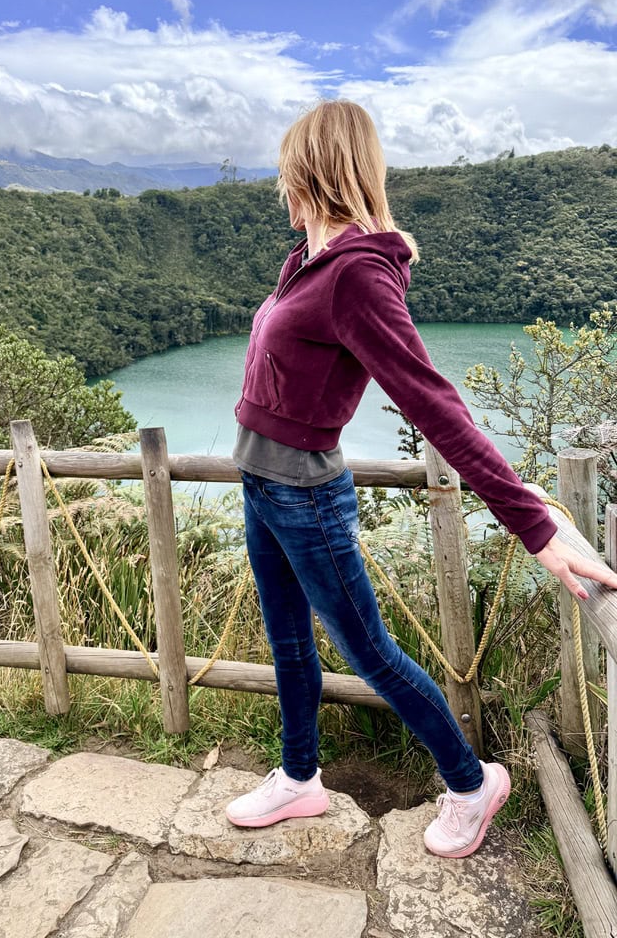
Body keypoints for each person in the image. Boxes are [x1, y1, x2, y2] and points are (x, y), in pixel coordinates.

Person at [225, 100, 617, 858]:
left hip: (305, 497)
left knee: (369, 651)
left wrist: (531, 525)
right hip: (262, 486)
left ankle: (471, 785)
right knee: (288, 644)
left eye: (287, 168)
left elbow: (432, 403)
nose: (280, 183)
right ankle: (299, 776)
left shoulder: (359, 275)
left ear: (311, 169)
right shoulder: (308, 260)